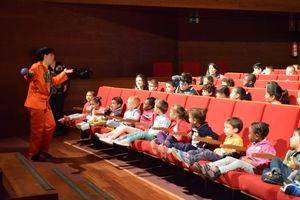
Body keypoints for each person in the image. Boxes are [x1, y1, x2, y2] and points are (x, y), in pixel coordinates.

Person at [21, 47, 73, 161]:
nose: (53, 57)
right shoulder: (36, 66)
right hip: (36, 103)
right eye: (51, 55)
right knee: (37, 129)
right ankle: (34, 153)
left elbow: (53, 81)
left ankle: (43, 151)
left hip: (45, 103)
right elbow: (30, 76)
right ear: (45, 56)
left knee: (51, 125)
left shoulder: (47, 70)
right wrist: (28, 75)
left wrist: (64, 73)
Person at [198, 122, 276, 180]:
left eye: (249, 133)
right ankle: (208, 167)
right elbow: (248, 156)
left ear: (257, 136)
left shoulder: (267, 147)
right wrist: (244, 158)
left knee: (239, 162)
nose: (248, 135)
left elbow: (265, 162)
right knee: (229, 158)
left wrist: (251, 162)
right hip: (247, 165)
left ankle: (216, 172)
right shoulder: (254, 144)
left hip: (257, 170)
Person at [172, 117, 244, 167]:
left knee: (207, 153)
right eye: (224, 127)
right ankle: (185, 155)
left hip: (224, 159)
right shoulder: (228, 137)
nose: (224, 129)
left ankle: (190, 159)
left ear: (235, 130)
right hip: (220, 155)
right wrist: (219, 150)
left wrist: (222, 151)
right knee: (202, 150)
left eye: (227, 127)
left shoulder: (238, 140)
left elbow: (235, 152)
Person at [48, 60, 69, 135]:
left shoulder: (60, 65)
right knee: (52, 111)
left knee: (59, 111)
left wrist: (66, 85)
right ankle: (54, 129)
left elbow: (66, 76)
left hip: (60, 92)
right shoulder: (45, 66)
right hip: (50, 93)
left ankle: (61, 129)